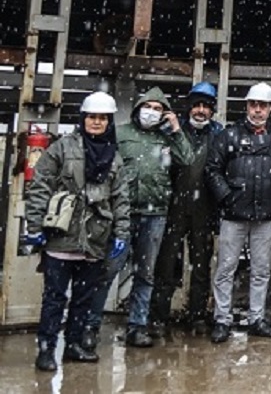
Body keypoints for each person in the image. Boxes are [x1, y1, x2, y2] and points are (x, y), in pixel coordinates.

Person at [25, 92, 130, 371]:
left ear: (109, 122)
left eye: (103, 118)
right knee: (54, 299)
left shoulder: (114, 157)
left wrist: (121, 233)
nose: (97, 123)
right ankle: (46, 351)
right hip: (61, 239)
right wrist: (34, 226)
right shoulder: (60, 148)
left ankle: (73, 346)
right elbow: (40, 187)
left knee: (83, 300)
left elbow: (120, 199)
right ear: (83, 118)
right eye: (92, 117)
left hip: (95, 240)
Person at [89, 87, 193, 348]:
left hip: (155, 215)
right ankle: (90, 325)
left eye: (159, 109)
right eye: (149, 107)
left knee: (146, 274)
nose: (152, 112)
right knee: (108, 271)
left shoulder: (166, 137)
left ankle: (137, 326)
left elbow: (187, 159)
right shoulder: (120, 133)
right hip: (121, 216)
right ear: (138, 109)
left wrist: (176, 129)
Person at [205, 82, 271, 343]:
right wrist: (227, 197)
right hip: (234, 216)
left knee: (261, 269)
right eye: (254, 105)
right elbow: (213, 169)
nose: (258, 110)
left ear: (270, 108)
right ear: (247, 106)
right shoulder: (229, 136)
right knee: (226, 268)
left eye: (263, 105)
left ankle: (257, 318)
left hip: (265, 216)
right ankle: (222, 319)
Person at [151, 81, 222, 336]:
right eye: (196, 106)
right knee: (167, 264)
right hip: (174, 206)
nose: (201, 111)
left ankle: (197, 317)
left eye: (205, 106)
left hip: (205, 208)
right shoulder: (171, 132)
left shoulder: (219, 134)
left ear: (212, 110)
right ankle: (159, 317)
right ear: (189, 108)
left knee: (201, 266)